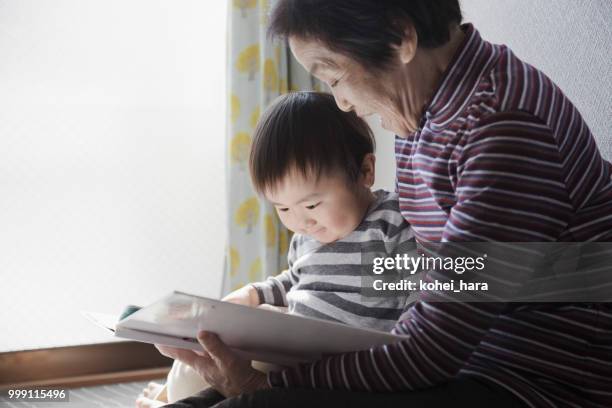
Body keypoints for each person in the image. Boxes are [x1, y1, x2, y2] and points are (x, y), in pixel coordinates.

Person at [159, 1, 612, 407]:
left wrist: (274, 385)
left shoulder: (503, 130)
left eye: (335, 76)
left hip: (536, 381)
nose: (342, 103)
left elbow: (430, 347)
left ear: (401, 37)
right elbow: (442, 275)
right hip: (467, 359)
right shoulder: (427, 118)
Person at [137, 92, 419, 407]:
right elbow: (294, 281)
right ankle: (170, 393)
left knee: (211, 381)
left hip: (342, 370)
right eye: (283, 208)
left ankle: (170, 396)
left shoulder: (390, 223)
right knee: (196, 363)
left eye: (312, 204)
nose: (301, 221)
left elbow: (421, 300)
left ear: (366, 171)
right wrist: (254, 294)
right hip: (288, 353)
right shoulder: (309, 236)